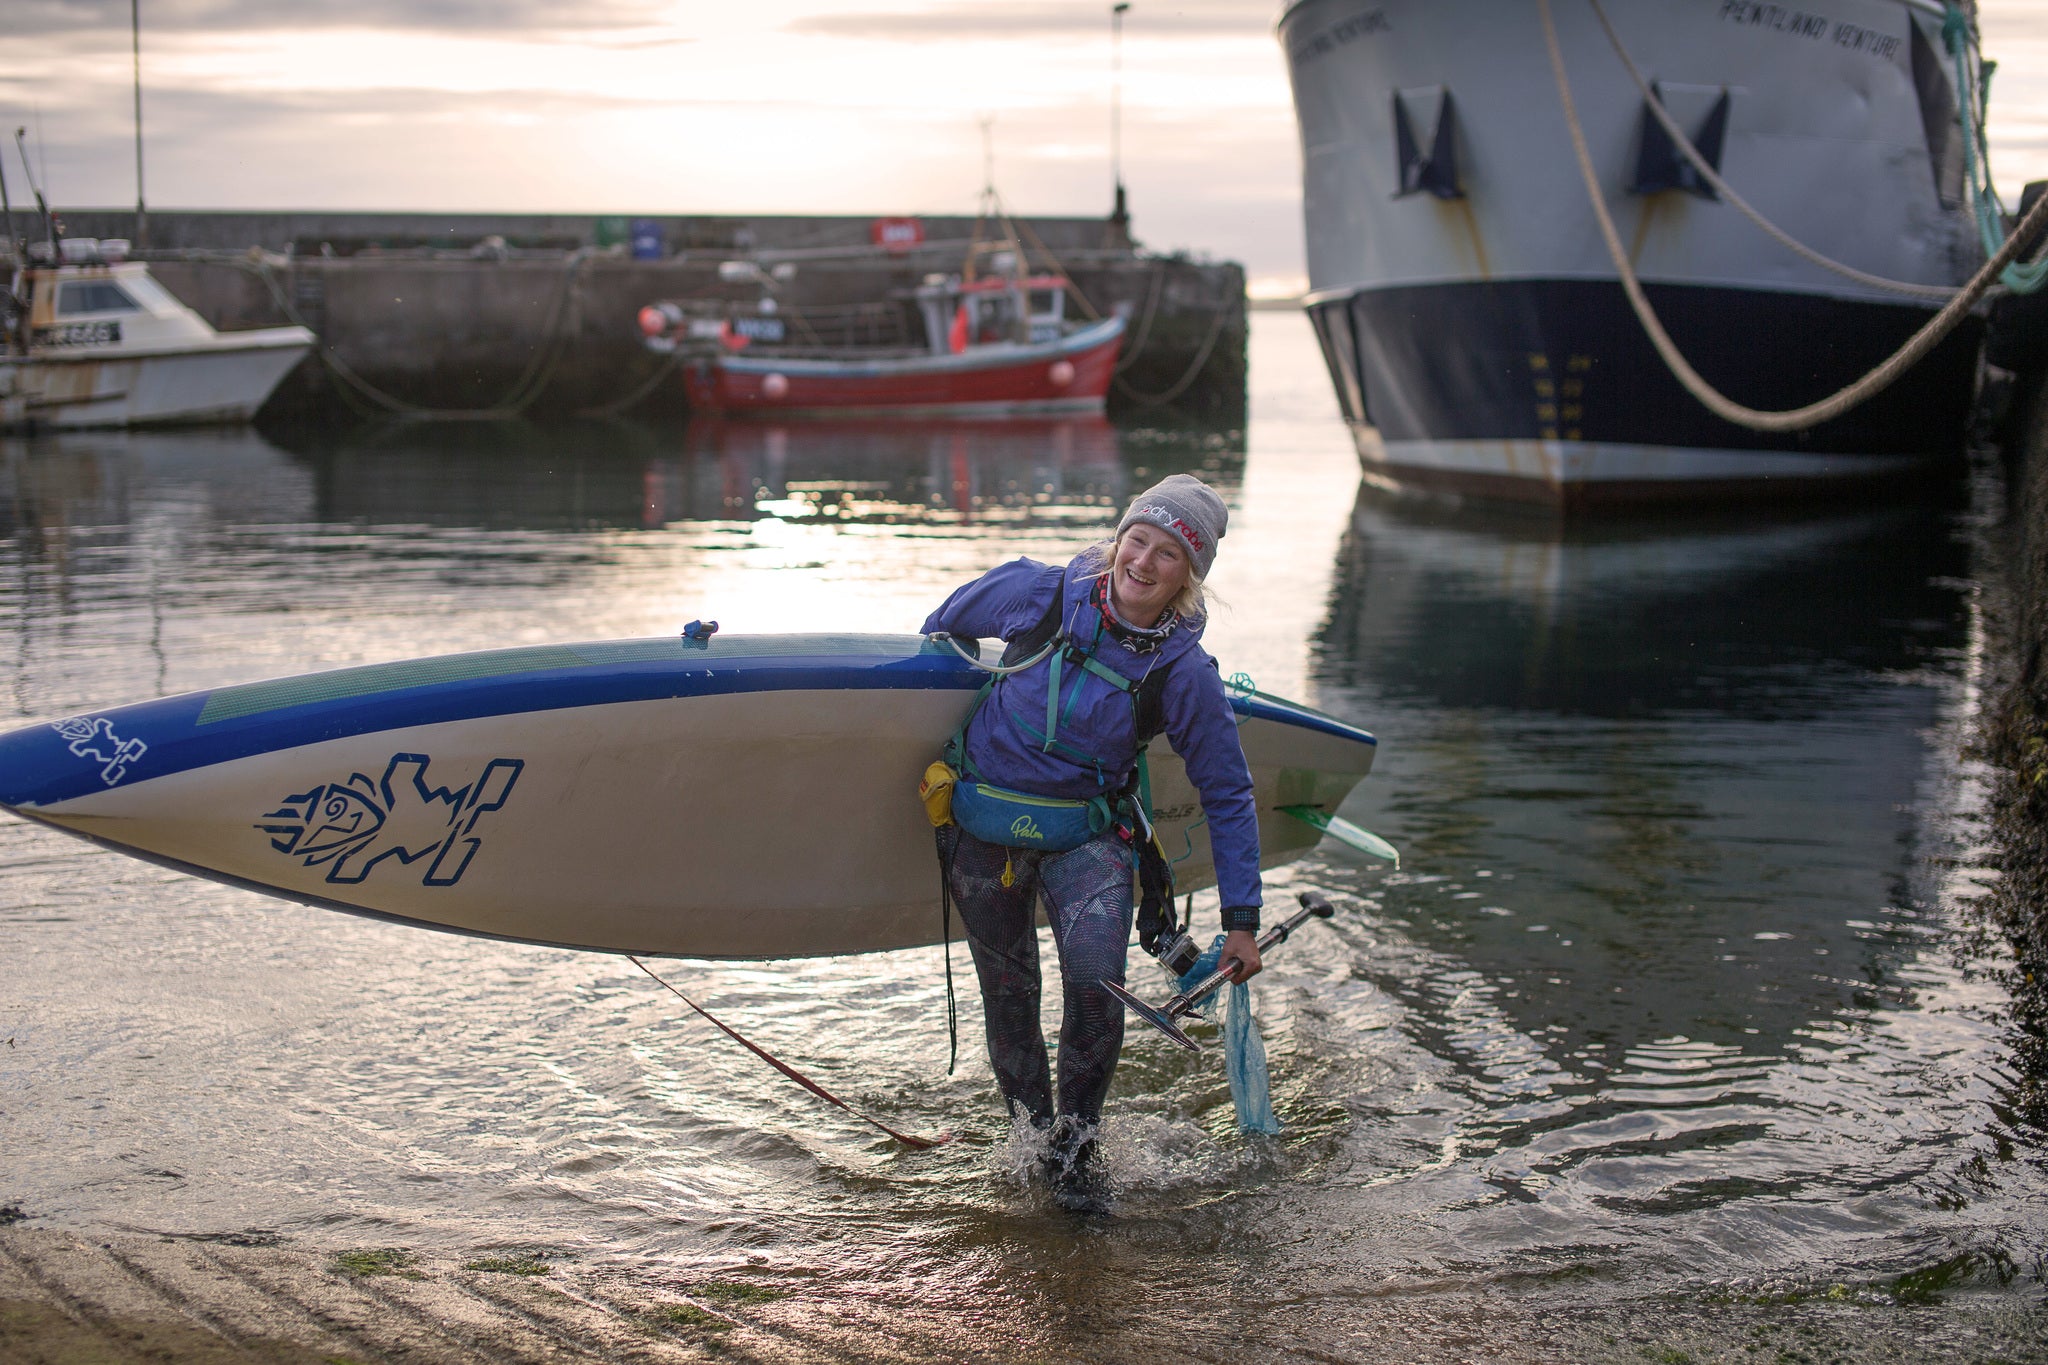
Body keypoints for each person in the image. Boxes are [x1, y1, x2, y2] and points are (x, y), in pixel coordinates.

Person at [921, 474, 1263, 1213]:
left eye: (1168, 554)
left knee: (1096, 985)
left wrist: (1243, 917)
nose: (1143, 560)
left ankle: (1074, 1158)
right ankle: (1029, 1145)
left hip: (1088, 836)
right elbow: (943, 626)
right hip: (984, 829)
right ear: (1119, 539)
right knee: (1009, 997)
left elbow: (1228, 790)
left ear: (1187, 578)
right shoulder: (1038, 593)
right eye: (1137, 539)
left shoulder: (1181, 671)